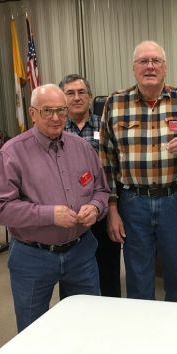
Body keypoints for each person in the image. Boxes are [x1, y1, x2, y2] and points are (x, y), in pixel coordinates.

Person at [0, 84, 110, 332]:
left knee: (88, 324)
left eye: (61, 111)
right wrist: (49, 215)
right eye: (47, 111)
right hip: (33, 256)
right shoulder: (13, 152)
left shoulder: (82, 148)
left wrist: (96, 208)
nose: (56, 117)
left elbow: (102, 190)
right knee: (33, 331)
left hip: (80, 252)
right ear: (32, 113)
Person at [99, 40, 177, 302]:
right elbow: (107, 162)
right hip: (133, 202)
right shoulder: (115, 103)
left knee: (176, 275)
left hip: (176, 201)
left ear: (165, 67)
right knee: (138, 278)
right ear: (133, 68)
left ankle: (174, 331)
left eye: (156, 61)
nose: (150, 66)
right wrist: (112, 209)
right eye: (143, 61)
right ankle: (143, 335)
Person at [59, 74, 121, 297]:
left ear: (90, 96)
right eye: (70, 93)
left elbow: (114, 169)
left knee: (109, 272)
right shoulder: (56, 129)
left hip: (102, 210)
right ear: (62, 98)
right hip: (70, 216)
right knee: (72, 278)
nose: (76, 98)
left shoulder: (106, 127)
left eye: (81, 92)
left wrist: (113, 208)